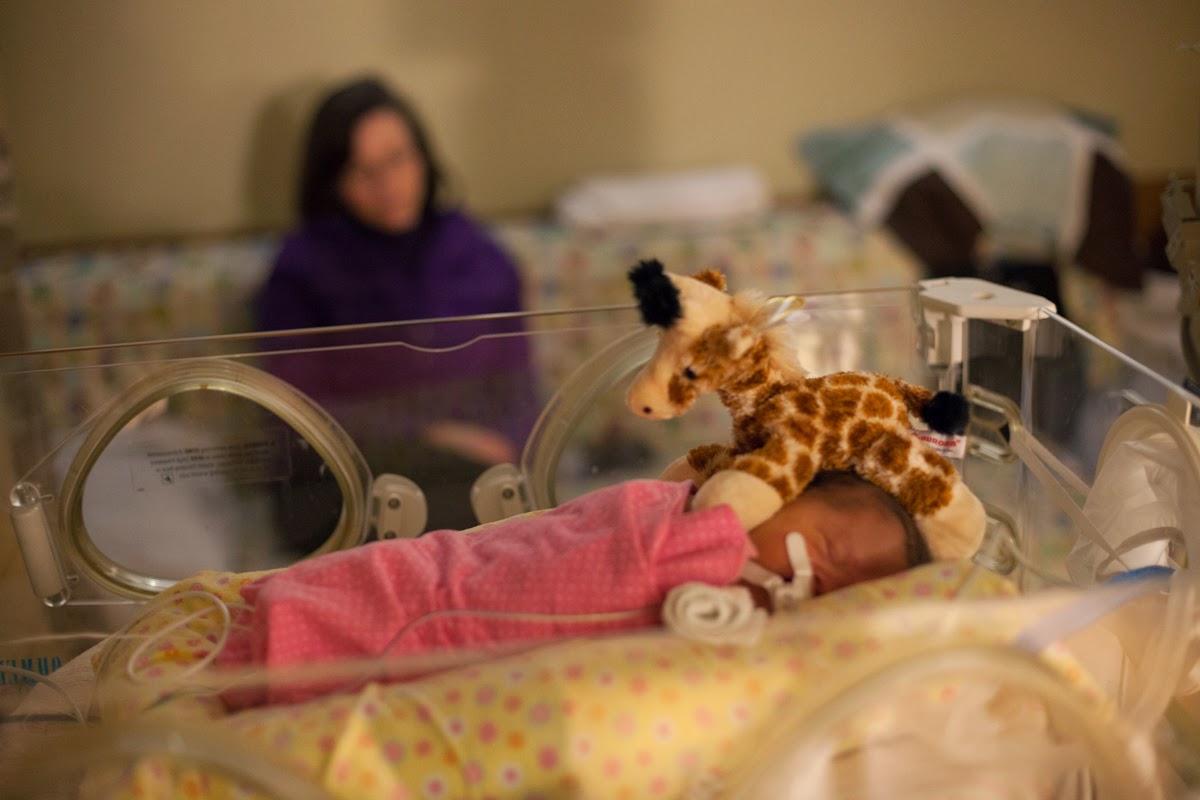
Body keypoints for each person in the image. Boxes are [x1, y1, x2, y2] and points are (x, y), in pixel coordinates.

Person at [217, 471, 927, 708]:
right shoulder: (679, 520)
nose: (821, 581)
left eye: (846, 591)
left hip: (429, 676)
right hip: (404, 603)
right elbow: (615, 560)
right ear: (772, 495)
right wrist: (723, 528)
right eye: (829, 549)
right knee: (408, 597)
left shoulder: (740, 632)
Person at [253, 76, 538, 532]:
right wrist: (432, 437)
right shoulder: (301, 270)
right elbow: (297, 414)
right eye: (362, 172)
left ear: (423, 157)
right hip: (352, 481)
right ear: (332, 182)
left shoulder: (482, 257)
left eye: (397, 160)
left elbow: (519, 388)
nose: (388, 185)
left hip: (476, 476)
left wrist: (510, 449)